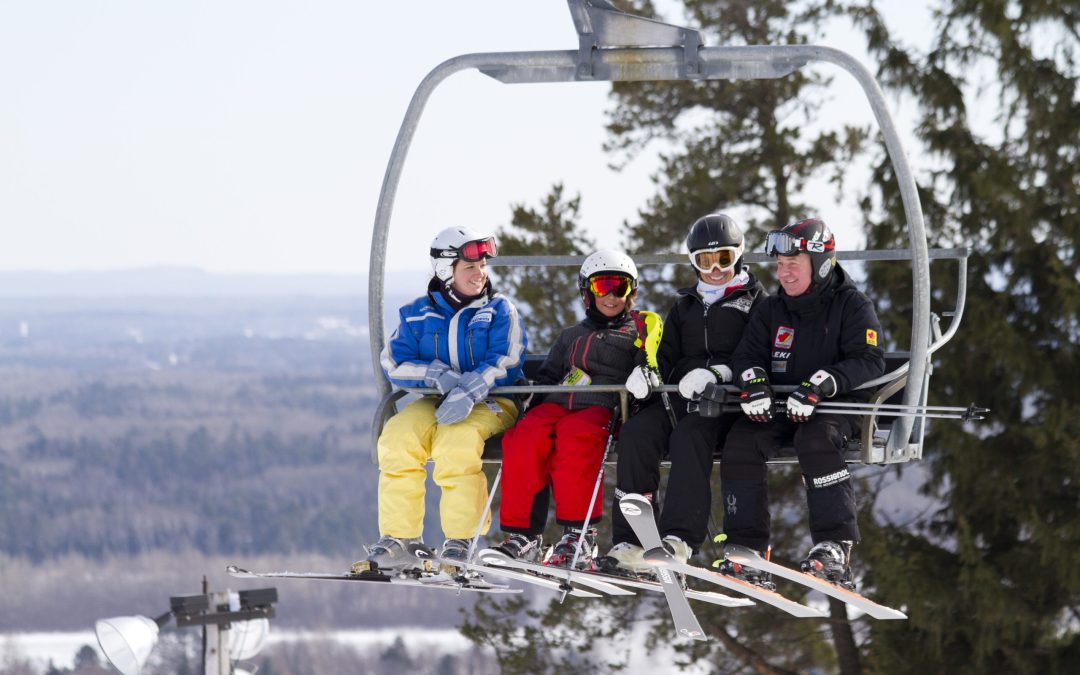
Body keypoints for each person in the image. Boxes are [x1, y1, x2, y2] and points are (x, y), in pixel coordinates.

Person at [717, 217, 885, 590]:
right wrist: (755, 383)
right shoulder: (772, 309)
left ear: (821, 263)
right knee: (741, 443)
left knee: (816, 440)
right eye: (779, 265)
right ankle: (748, 548)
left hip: (836, 406)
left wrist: (822, 385)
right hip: (782, 403)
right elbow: (747, 356)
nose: (785, 273)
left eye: (793, 264)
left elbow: (870, 358)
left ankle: (833, 546)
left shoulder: (852, 305)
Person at [597, 214, 767, 573]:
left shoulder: (757, 302)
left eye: (724, 258)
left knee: (691, 435)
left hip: (727, 401)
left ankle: (679, 539)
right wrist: (648, 375)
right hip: (679, 396)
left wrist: (718, 374)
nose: (716, 269)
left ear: (739, 254)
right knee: (637, 433)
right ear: (693, 262)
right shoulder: (685, 306)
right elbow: (666, 354)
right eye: (705, 261)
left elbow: (757, 354)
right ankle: (630, 539)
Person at [364, 226, 527, 570]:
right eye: (470, 267)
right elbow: (394, 361)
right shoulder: (418, 313)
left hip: (493, 401)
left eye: (483, 265)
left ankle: (460, 539)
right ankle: (400, 538)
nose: (480, 273)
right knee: (397, 438)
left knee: (456, 443)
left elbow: (507, 358)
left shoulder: (499, 310)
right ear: (445, 270)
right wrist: (436, 376)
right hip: (434, 400)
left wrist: (470, 389)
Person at [494, 250, 660, 568]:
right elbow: (549, 374)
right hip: (557, 402)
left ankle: (577, 534)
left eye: (620, 288)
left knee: (575, 439)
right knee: (523, 437)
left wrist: (642, 372)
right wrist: (534, 401)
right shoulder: (571, 335)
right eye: (602, 287)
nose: (611, 296)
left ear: (632, 292)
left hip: (600, 406)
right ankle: (523, 535)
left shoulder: (635, 333)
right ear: (587, 291)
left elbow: (648, 365)